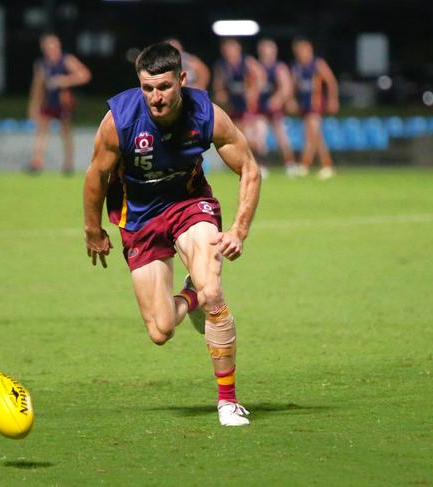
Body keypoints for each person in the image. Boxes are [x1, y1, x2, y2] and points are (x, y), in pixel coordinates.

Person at [83, 42, 261, 426]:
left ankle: (228, 401)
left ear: (182, 80)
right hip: (140, 220)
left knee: (214, 291)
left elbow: (249, 167)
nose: (155, 97)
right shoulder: (121, 120)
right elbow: (96, 175)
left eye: (163, 87)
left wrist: (239, 231)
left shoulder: (206, 114)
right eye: (147, 88)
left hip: (188, 206)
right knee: (161, 330)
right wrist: (92, 228)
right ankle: (192, 294)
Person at [28, 33, 91, 174]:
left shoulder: (67, 60)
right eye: (48, 46)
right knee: (41, 130)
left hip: (64, 102)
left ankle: (68, 164)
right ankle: (37, 161)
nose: (51, 49)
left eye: (53, 45)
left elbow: (85, 75)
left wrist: (65, 80)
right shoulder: (42, 64)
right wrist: (33, 105)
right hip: (48, 101)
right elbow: (37, 86)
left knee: (66, 132)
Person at [212, 38, 267, 176]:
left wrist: (253, 91)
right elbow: (218, 85)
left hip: (249, 107)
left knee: (251, 137)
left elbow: (261, 76)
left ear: (238, 50)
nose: (230, 53)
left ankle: (259, 165)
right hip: (233, 108)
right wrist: (220, 94)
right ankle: (241, 165)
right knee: (237, 138)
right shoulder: (222, 66)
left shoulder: (247, 62)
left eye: (232, 49)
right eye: (227, 50)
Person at [290, 37, 339, 180]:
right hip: (304, 105)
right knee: (314, 136)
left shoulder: (317, 64)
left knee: (313, 134)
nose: (301, 53)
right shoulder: (297, 67)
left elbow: (331, 81)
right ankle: (321, 166)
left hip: (316, 104)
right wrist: (293, 100)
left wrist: (332, 99)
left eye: (303, 49)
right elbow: (294, 86)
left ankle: (311, 165)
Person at [256, 38, 297, 176]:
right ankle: (262, 165)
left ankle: (290, 164)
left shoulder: (279, 68)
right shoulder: (256, 67)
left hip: (276, 110)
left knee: (282, 138)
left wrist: (277, 99)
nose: (267, 53)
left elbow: (286, 87)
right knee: (259, 138)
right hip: (260, 109)